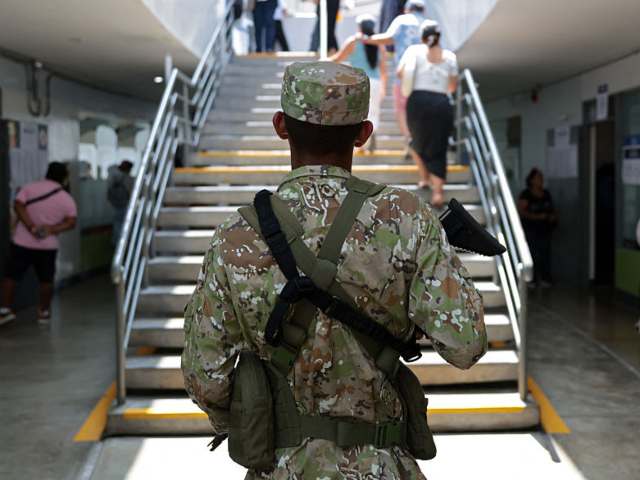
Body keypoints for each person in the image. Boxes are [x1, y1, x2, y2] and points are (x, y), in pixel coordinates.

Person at [182, 61, 487, 478]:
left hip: (281, 466)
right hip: (382, 465)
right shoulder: (409, 217)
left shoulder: (235, 234)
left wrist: (247, 422)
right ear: (363, 133)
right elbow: (465, 345)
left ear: (280, 126)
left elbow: (205, 375)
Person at [0, 162, 77, 326]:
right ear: (64, 179)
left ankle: (4, 310)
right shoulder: (67, 199)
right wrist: (51, 229)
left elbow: (18, 205)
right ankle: (44, 313)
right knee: (46, 280)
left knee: (11, 277)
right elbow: (71, 222)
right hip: (47, 246)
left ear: (47, 174)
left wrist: (31, 227)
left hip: (21, 242)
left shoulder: (30, 188)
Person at [397, 20, 458, 206]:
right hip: (441, 103)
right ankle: (437, 194)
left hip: (418, 102)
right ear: (439, 37)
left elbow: (400, 73)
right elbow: (452, 86)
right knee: (440, 147)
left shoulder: (414, 50)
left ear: (422, 37)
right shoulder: (450, 56)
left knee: (416, 142)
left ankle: (424, 177)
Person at [360, 0, 426, 142]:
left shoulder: (402, 20)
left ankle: (409, 137)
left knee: (401, 108)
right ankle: (420, 136)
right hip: (424, 75)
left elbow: (389, 38)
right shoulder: (427, 23)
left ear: (408, 9)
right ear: (422, 11)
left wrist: (367, 39)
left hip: (404, 74)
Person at [329, 14, 387, 152]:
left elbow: (338, 58)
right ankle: (373, 132)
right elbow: (383, 67)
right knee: (373, 112)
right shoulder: (379, 44)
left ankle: (361, 144)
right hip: (376, 82)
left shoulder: (353, 41)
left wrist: (323, 61)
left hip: (357, 81)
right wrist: (383, 87)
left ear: (359, 27)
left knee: (357, 112)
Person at [517, 168, 556, 288]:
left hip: (544, 229)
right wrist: (536, 216)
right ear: (532, 180)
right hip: (530, 229)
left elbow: (552, 207)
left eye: (542, 177)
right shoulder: (526, 194)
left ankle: (545, 278)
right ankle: (531, 279)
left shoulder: (546, 193)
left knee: (545, 253)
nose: (541, 180)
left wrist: (551, 216)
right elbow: (521, 211)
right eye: (539, 177)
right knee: (533, 253)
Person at [107, 160, 134, 246]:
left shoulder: (113, 178)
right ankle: (127, 243)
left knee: (117, 225)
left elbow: (108, 192)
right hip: (126, 205)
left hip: (115, 205)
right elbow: (132, 194)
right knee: (128, 225)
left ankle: (115, 242)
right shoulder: (130, 179)